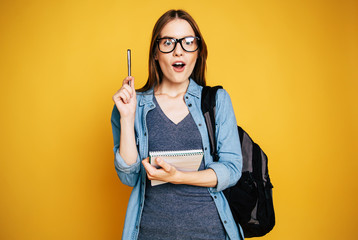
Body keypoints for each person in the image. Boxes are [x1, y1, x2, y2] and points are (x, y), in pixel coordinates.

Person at [111, 9, 244, 240]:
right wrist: (127, 116)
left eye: (188, 42)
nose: (178, 50)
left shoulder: (216, 100)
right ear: (155, 52)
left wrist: (178, 176)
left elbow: (232, 169)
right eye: (168, 42)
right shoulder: (134, 104)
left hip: (210, 232)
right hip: (150, 232)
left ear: (198, 51)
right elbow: (129, 178)